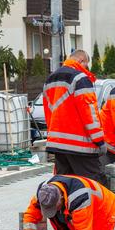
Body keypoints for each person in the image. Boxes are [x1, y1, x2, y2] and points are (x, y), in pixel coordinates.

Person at [43, 50, 107, 184]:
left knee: (63, 186)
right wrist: (99, 141)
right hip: (80, 145)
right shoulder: (80, 78)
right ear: (81, 61)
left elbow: (49, 113)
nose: (86, 69)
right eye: (86, 65)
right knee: (94, 186)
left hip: (58, 144)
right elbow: (89, 114)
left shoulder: (50, 80)